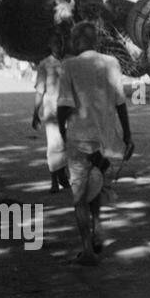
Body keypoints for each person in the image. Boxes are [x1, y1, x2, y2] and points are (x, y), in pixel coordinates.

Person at [57, 22, 133, 265]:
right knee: (96, 187)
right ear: (96, 40)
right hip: (105, 142)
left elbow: (64, 106)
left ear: (77, 40)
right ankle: (98, 228)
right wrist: (128, 136)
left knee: (80, 198)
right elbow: (121, 102)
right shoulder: (111, 63)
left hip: (79, 141)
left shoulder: (69, 65)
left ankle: (88, 249)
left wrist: (61, 135)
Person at [32, 36, 69, 192]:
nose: (58, 45)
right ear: (50, 44)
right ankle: (54, 180)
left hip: (68, 109)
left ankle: (63, 177)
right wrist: (35, 112)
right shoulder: (44, 65)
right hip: (51, 110)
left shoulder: (69, 63)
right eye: (55, 42)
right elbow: (40, 91)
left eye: (60, 42)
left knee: (66, 144)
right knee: (54, 145)